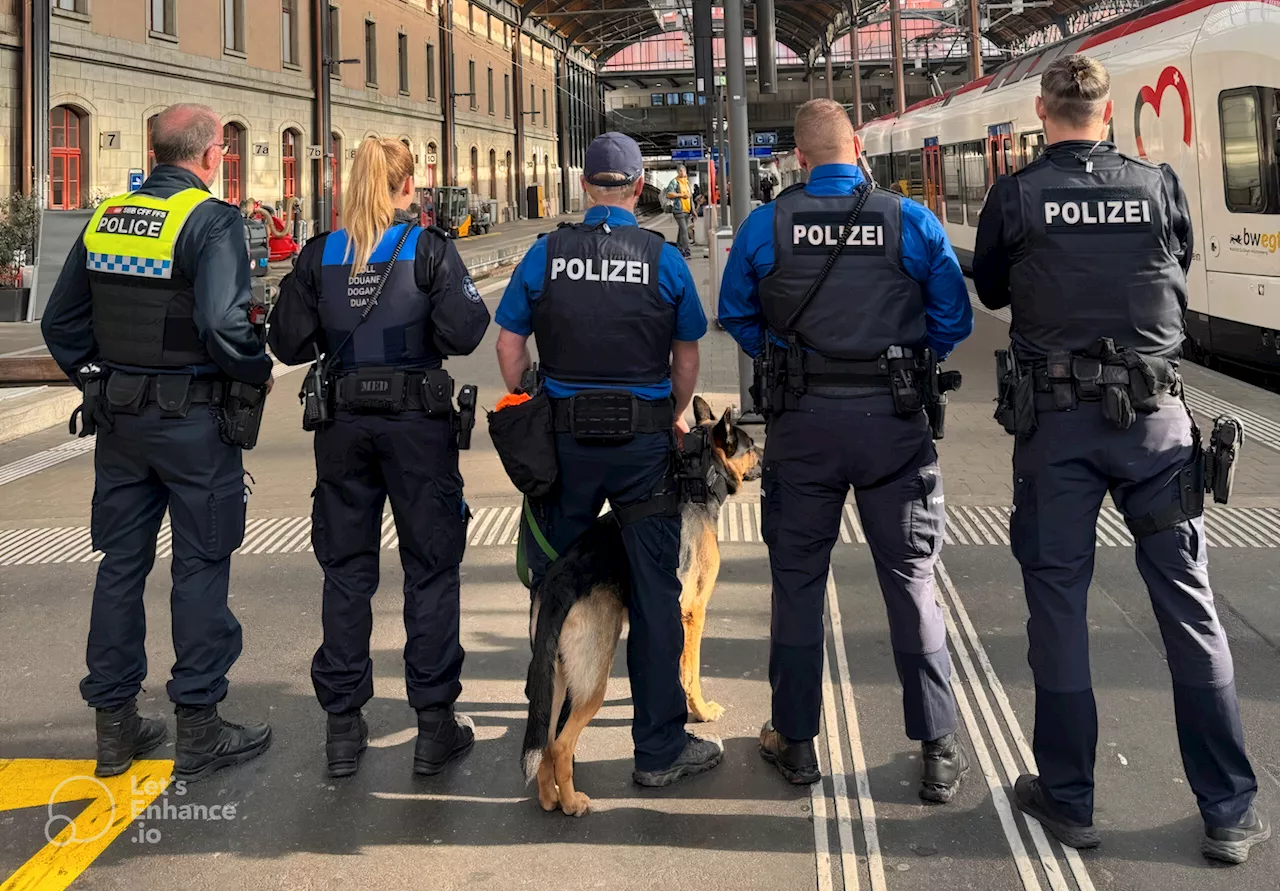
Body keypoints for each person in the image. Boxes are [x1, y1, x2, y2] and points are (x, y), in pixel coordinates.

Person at [973, 54, 1269, 864]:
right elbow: (1178, 262)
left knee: (1059, 609)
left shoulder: (1017, 193)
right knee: (1189, 606)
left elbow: (992, 290)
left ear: (1043, 110)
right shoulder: (1159, 183)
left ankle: (1069, 800)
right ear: (1109, 114)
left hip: (1057, 429)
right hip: (1155, 424)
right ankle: (1229, 810)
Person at [718, 98, 974, 800]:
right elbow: (954, 317)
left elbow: (735, 311)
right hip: (895, 426)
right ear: (857, 147)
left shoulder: (766, 226)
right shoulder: (909, 220)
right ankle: (937, 749)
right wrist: (907, 360)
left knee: (797, 582)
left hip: (802, 426)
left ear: (798, 157)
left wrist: (783, 356)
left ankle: (796, 743)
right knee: (913, 580)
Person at [40, 103, 273, 782]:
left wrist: (102, 371)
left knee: (120, 565)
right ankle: (198, 725)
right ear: (209, 157)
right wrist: (256, 369)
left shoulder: (109, 215)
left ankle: (115, 728)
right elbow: (223, 323)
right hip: (193, 422)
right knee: (201, 562)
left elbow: (61, 321)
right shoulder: (212, 220)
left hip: (119, 419)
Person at [495, 132, 720, 788]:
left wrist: (530, 394)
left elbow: (509, 344)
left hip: (563, 447)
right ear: (636, 188)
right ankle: (657, 749)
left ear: (587, 186)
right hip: (643, 448)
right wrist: (674, 410)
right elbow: (686, 356)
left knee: (556, 582)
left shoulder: (546, 255)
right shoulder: (664, 260)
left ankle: (549, 719)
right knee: (655, 593)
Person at [267, 137, 490, 779]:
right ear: (402, 188)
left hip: (341, 431)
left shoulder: (319, 255)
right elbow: (464, 330)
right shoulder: (426, 250)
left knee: (346, 571)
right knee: (430, 568)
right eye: (411, 185)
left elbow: (287, 341)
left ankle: (342, 727)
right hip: (417, 427)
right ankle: (433, 725)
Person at [665, 165, 694, 258]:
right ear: (678, 172)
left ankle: (678, 248)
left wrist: (693, 210)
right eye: (680, 171)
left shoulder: (687, 182)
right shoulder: (674, 182)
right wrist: (681, 195)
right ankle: (686, 250)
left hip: (687, 210)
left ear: (686, 172)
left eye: (683, 171)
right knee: (684, 230)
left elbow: (690, 197)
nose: (682, 173)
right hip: (678, 210)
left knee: (682, 230)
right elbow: (669, 194)